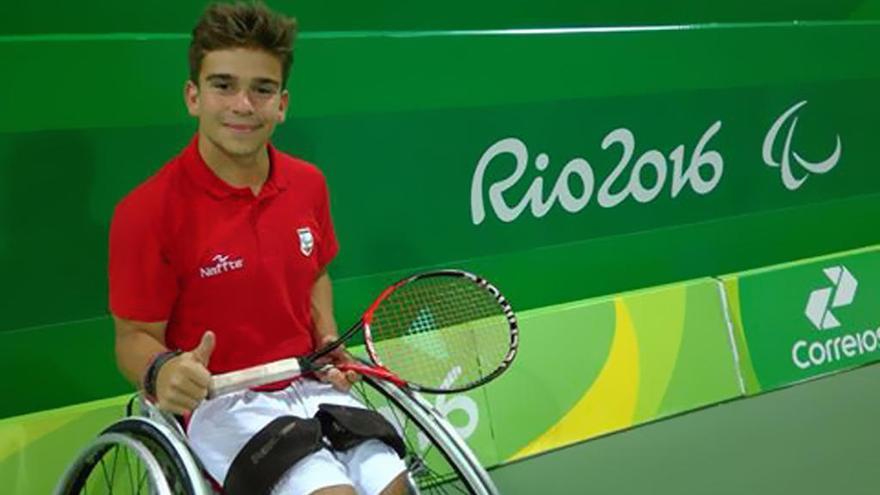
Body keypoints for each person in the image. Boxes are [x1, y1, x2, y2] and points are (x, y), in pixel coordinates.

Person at [108, 2, 409, 494]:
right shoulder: (146, 210)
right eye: (223, 85)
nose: (243, 105)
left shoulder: (308, 184)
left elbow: (314, 274)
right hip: (222, 402)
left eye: (261, 89)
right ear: (193, 96)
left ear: (282, 103)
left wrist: (328, 340)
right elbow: (132, 336)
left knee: (395, 488)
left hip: (308, 382)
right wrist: (162, 369)